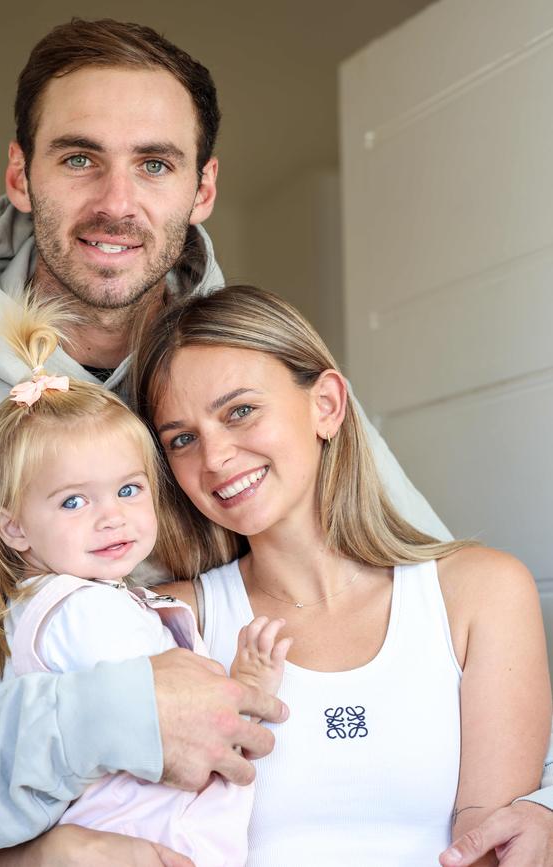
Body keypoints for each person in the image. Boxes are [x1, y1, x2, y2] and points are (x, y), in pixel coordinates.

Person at [0, 15, 518, 867]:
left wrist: (535, 802)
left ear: (202, 189)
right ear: (21, 173)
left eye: (155, 163)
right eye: (79, 157)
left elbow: (438, 618)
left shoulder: (268, 380)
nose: (117, 202)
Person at [128, 284, 553, 866]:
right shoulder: (163, 621)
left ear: (326, 404)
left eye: (241, 411)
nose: (216, 457)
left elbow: (488, 844)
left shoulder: (482, 594)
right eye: (182, 439)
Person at [0, 298, 290, 867]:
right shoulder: (86, 614)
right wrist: (243, 687)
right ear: (13, 527)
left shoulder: (67, 605)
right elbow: (180, 719)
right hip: (146, 842)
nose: (111, 516)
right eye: (73, 500)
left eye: (129, 490)